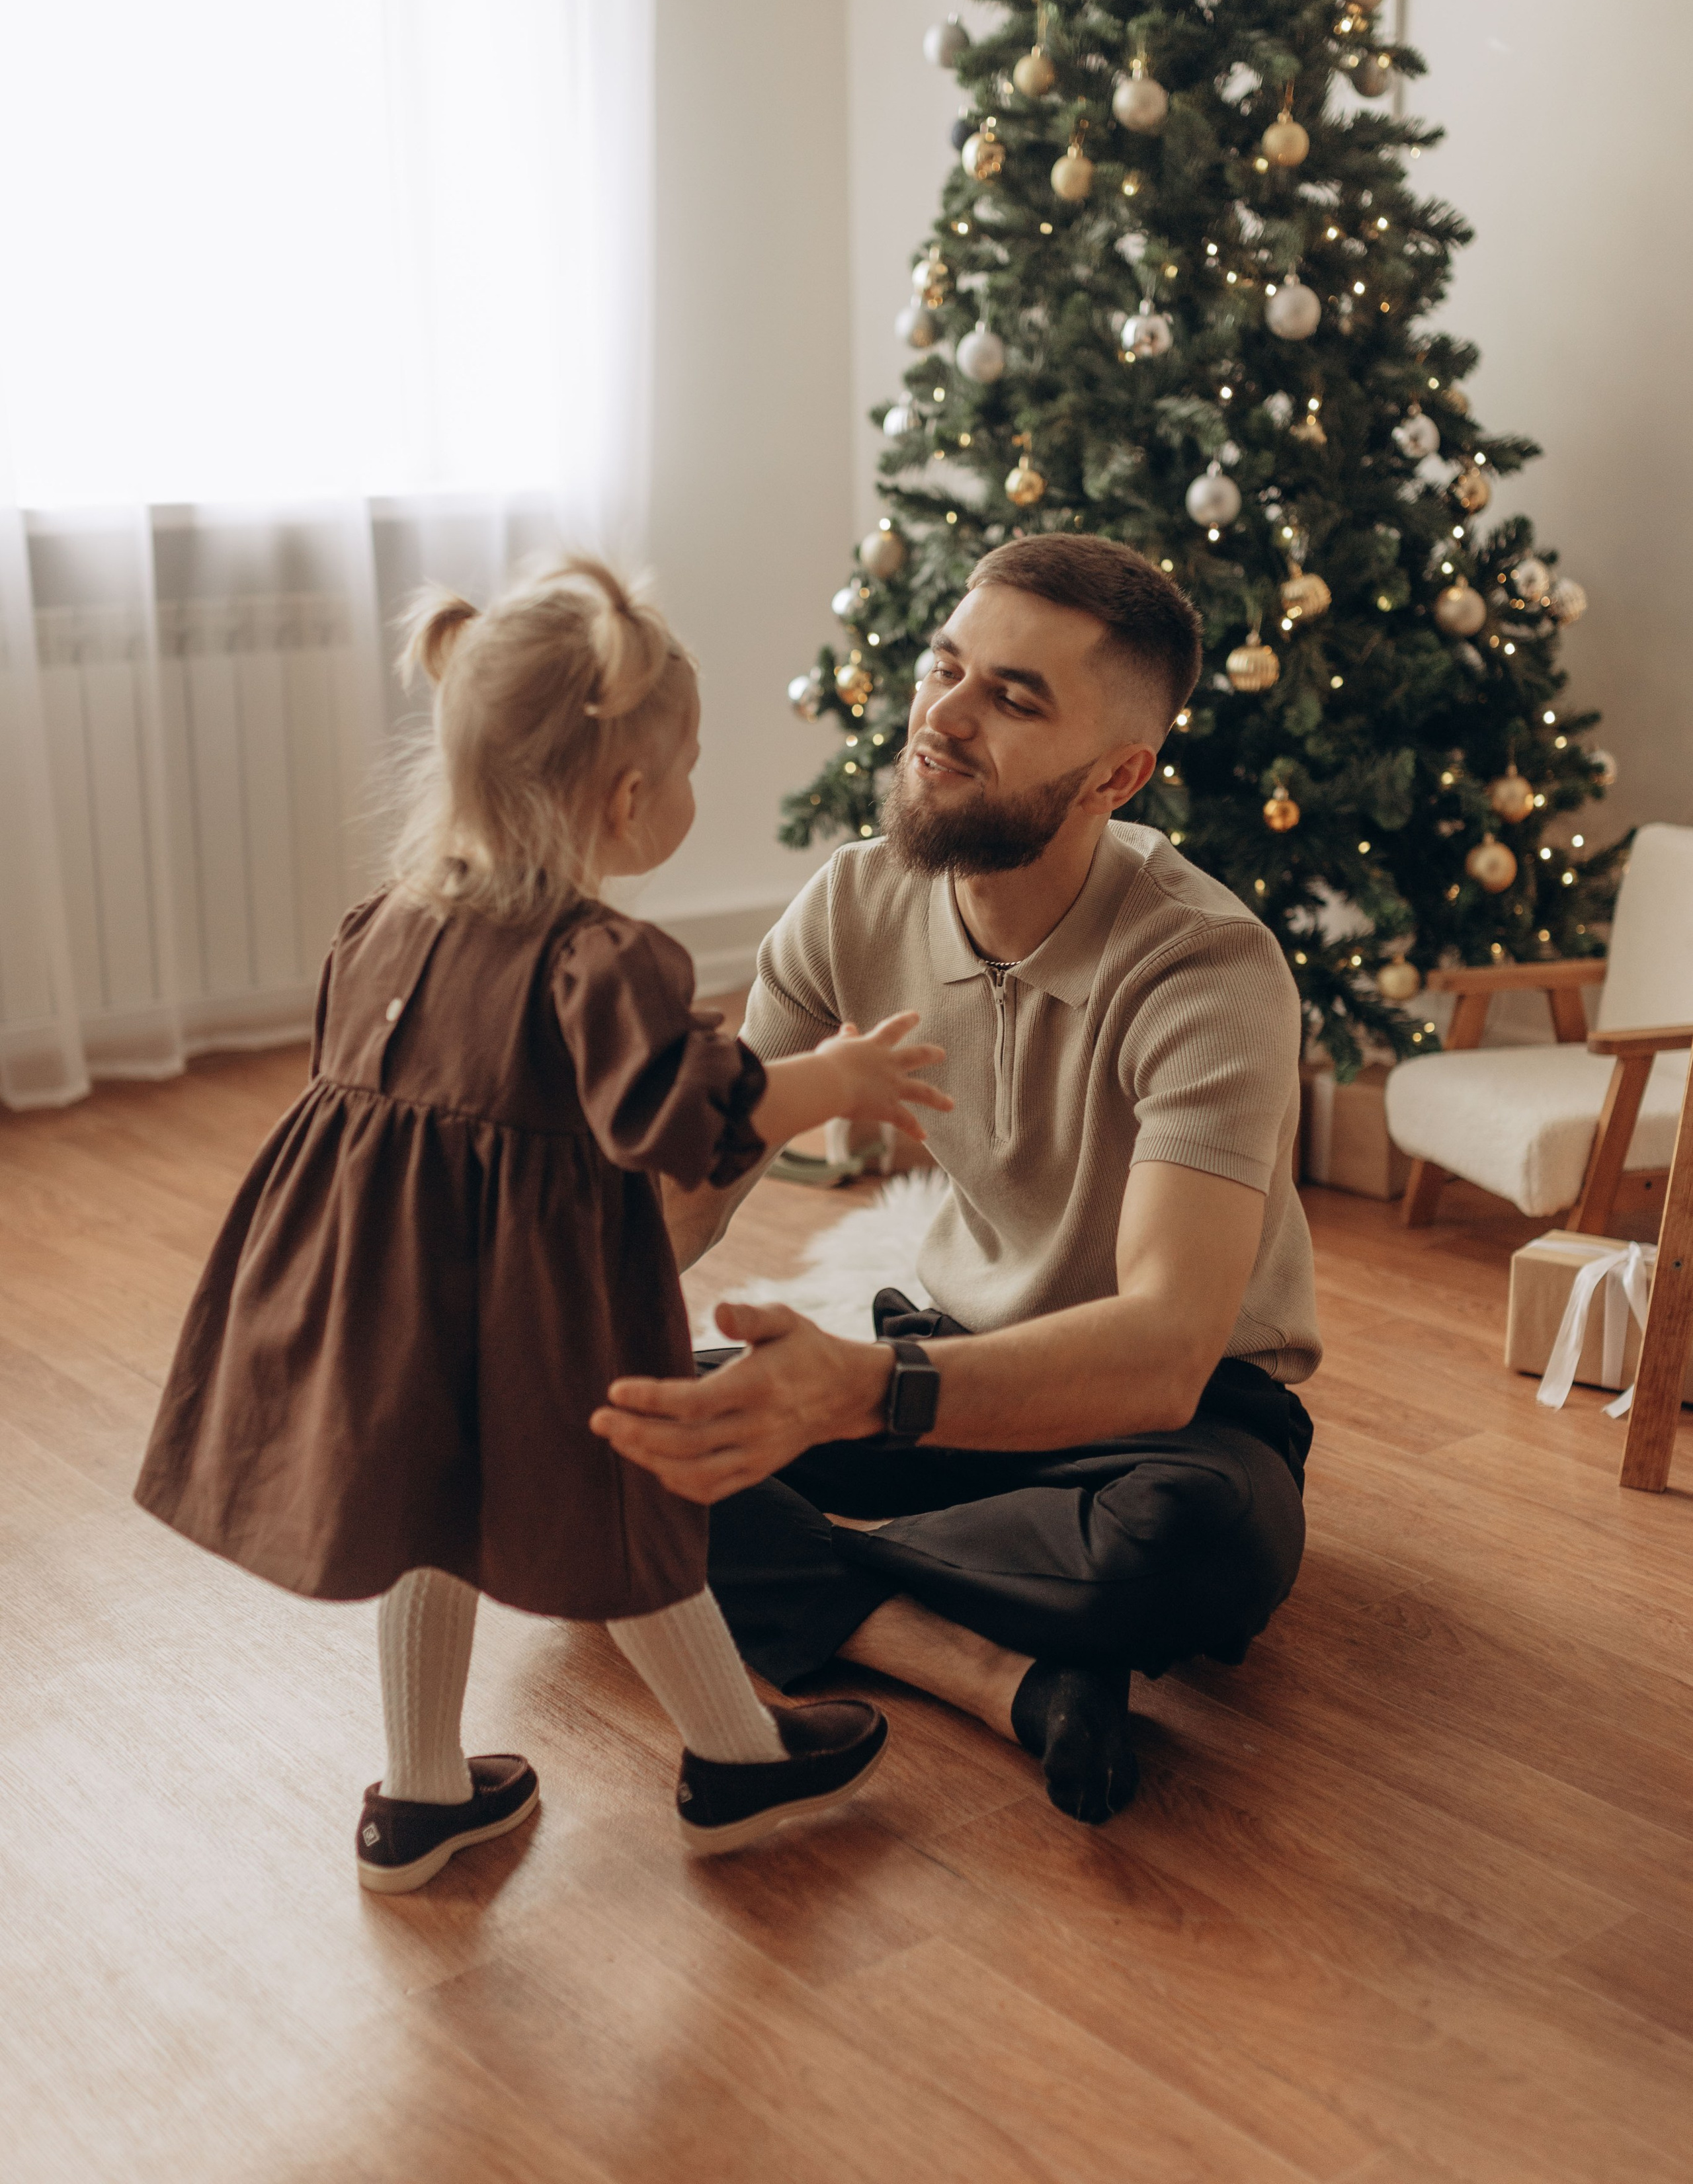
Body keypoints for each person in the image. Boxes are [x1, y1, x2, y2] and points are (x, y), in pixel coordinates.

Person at [135, 559, 952, 1890]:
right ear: (627, 798)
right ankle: (737, 1762)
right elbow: (683, 1117)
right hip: (535, 1313)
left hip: (384, 1302)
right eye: (685, 767)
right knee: (632, 1522)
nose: (689, 790)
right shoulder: (597, 961)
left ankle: (419, 1798)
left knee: (426, 1513)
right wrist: (835, 1080)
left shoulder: (381, 926)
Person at [591, 534, 1319, 1825]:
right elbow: (701, 1183)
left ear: (1116, 775)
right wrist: (542, 1318)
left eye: (1011, 697)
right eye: (945, 669)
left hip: (1169, 1419)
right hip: (941, 1367)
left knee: (1195, 1544)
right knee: (596, 1438)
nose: (942, 714)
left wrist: (855, 1396)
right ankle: (1001, 1673)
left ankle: (819, 1573)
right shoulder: (851, 905)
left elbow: (1161, 1347)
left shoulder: (1204, 967)